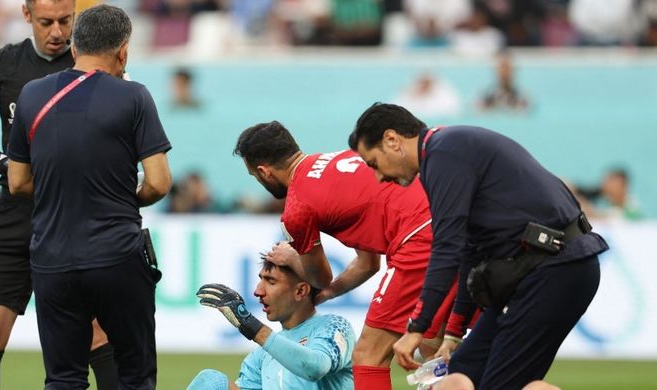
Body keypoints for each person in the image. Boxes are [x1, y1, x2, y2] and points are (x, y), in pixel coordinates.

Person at [349, 103, 608, 390]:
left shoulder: (444, 155)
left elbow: (447, 247)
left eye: (373, 163)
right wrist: (454, 334)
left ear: (392, 140)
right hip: (546, 268)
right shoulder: (446, 151)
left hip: (554, 270)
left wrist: (417, 328)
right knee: (459, 376)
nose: (379, 177)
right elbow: (469, 251)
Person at [0, 1, 119, 388]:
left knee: (96, 333)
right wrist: (9, 165)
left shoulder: (95, 64)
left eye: (65, 21)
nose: (57, 31)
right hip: (16, 212)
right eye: (46, 22)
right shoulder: (3, 64)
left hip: (76, 214)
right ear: (27, 16)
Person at [7, 4, 171, 388]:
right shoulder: (134, 96)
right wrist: (123, 196)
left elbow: (17, 181)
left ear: (74, 46)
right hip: (117, 255)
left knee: (63, 378)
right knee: (135, 375)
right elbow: (159, 183)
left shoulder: (32, 95)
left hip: (52, 257)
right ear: (123, 51)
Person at [234, 121, 468, 390]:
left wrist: (292, 256)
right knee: (431, 348)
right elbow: (368, 264)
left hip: (417, 238)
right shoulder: (341, 159)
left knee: (369, 355)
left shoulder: (298, 207)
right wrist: (331, 293)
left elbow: (319, 277)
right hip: (451, 223)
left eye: (254, 176)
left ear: (264, 172)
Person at [187, 259, 356, 390]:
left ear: (300, 291)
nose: (258, 291)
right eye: (261, 280)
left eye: (271, 281)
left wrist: (250, 325)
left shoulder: (334, 326)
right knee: (210, 381)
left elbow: (315, 367)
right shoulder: (261, 355)